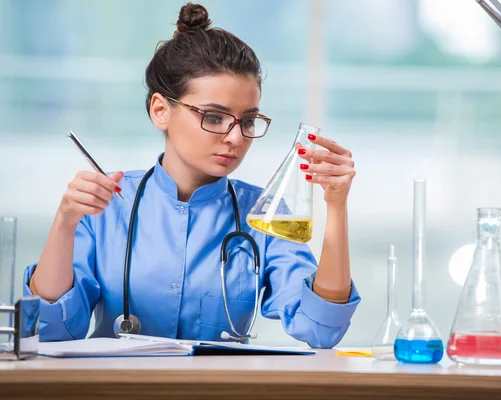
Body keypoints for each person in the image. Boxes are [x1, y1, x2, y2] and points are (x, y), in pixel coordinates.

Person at [23, 2, 360, 349]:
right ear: (160, 111)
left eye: (247, 121)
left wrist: (337, 205)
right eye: (214, 117)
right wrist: (65, 221)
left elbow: (321, 328)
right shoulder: (106, 202)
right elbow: (48, 332)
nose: (235, 137)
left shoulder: (264, 214)